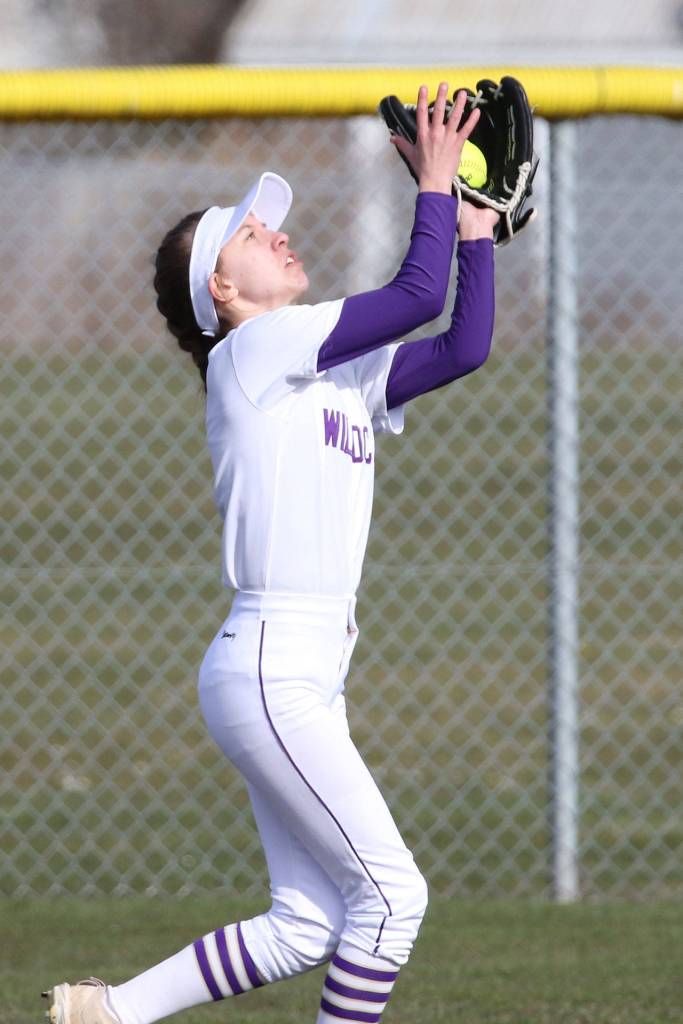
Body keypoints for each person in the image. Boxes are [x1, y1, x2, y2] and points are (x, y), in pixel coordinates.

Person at [43, 83, 499, 1024]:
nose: (279, 237)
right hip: (270, 664)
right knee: (393, 900)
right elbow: (415, 294)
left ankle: (107, 1014)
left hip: (295, 668)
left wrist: (476, 230)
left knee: (306, 923)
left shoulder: (318, 369)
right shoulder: (250, 355)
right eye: (254, 235)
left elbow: (461, 345)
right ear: (222, 287)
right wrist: (435, 187)